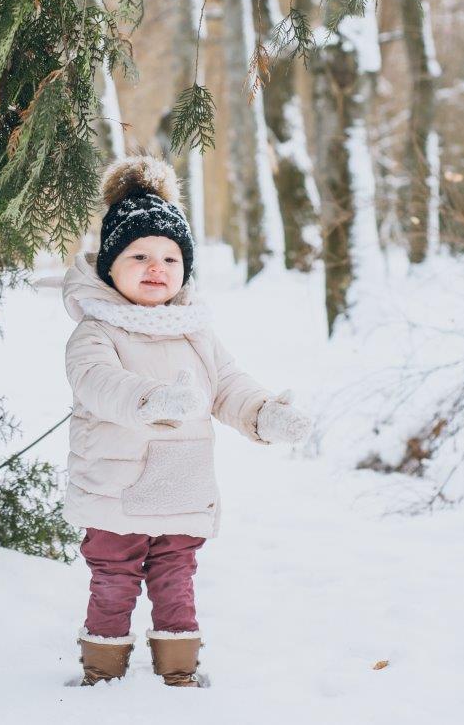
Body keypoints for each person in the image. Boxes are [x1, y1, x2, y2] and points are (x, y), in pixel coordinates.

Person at [61, 151, 312, 688]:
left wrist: (265, 415)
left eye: (171, 259)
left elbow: (227, 386)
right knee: (114, 581)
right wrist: (150, 400)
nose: (157, 269)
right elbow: (97, 384)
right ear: (110, 266)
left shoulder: (195, 331)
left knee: (177, 581)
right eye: (140, 256)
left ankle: (179, 672)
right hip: (116, 491)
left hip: (181, 485)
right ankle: (101, 672)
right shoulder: (96, 331)